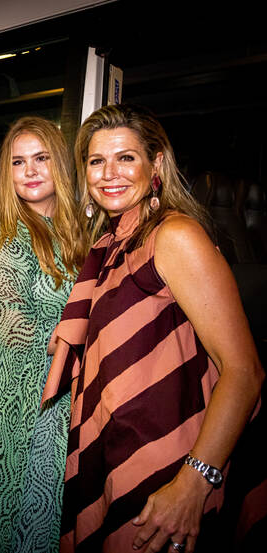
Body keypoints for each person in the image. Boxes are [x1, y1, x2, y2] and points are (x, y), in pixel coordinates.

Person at [42, 104, 264, 552]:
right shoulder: (107, 244)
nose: (110, 173)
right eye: (96, 161)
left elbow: (244, 371)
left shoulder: (174, 235)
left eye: (126, 158)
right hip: (116, 448)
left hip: (168, 463)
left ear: (156, 164)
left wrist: (194, 483)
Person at [0, 117, 86, 552]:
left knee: (48, 513)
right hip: (11, 399)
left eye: (41, 158)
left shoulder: (80, 234)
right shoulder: (3, 236)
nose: (30, 170)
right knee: (11, 514)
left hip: (62, 390)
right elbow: (13, 325)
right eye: (18, 162)